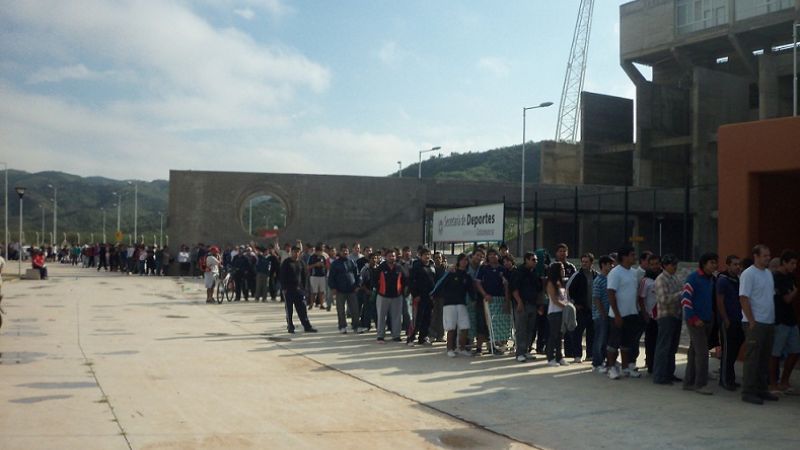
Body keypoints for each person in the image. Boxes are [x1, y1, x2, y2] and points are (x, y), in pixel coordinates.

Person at [739, 244, 778, 405]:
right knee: (752, 359)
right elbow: (743, 298)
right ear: (756, 256)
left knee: (764, 359)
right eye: (765, 255)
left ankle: (762, 389)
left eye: (769, 255)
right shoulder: (749, 274)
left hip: (769, 322)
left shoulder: (768, 273)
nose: (768, 258)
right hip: (755, 323)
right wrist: (752, 321)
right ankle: (748, 391)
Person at [681, 252, 718, 395]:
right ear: (704, 264)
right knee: (702, 353)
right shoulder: (693, 278)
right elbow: (685, 299)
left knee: (693, 352)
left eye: (715, 263)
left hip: (707, 320)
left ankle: (688, 382)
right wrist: (693, 318)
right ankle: (700, 384)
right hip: (695, 321)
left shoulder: (711, 280)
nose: (714, 265)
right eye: (711, 263)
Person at [606, 246, 641, 380]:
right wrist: (617, 314)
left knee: (627, 343)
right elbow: (611, 293)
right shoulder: (615, 273)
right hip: (617, 315)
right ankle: (611, 368)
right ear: (624, 257)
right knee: (614, 343)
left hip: (631, 313)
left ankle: (625, 368)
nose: (635, 257)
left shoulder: (633, 272)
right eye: (632, 255)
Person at [431, 253, 475, 357]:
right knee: (451, 328)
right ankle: (449, 349)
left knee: (465, 327)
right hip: (449, 304)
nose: (464, 262)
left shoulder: (467, 276)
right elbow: (439, 285)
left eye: (466, 260)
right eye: (462, 260)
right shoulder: (450, 273)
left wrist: (474, 300)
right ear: (458, 261)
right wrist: (433, 295)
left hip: (462, 304)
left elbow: (471, 291)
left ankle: (462, 348)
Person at [769, 250, 799, 394]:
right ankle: (773, 383)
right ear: (784, 263)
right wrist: (794, 292)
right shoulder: (776, 278)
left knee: (795, 350)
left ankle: (784, 381)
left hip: (791, 320)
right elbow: (786, 298)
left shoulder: (791, 277)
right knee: (775, 353)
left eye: (795, 263)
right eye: (792, 263)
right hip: (779, 319)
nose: (794, 266)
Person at [652, 254, 683, 385]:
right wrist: (680, 295)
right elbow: (663, 300)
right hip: (666, 316)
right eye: (672, 264)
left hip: (676, 315)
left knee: (672, 347)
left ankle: (669, 373)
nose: (674, 267)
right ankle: (659, 375)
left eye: (675, 264)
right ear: (664, 265)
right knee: (663, 347)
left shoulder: (675, 278)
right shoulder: (661, 279)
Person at [717, 255, 743, 391]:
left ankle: (730, 378)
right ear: (728, 265)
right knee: (727, 352)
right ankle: (724, 380)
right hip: (727, 321)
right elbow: (720, 301)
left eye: (739, 264)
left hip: (738, 320)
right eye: (734, 264)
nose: (737, 266)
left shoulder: (737, 280)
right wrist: (725, 319)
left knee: (734, 351)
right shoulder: (723, 280)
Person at [565, 253, 597, 363]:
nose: (584, 264)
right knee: (577, 333)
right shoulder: (577, 275)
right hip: (580, 309)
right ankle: (577, 355)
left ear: (591, 263)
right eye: (582, 261)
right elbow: (569, 290)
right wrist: (574, 304)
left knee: (591, 333)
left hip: (592, 309)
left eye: (586, 262)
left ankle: (590, 354)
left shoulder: (595, 275)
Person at [511, 252, 543, 363]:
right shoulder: (518, 272)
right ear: (526, 260)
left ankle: (526, 350)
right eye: (533, 260)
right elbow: (514, 288)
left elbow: (539, 289)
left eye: (536, 260)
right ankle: (519, 353)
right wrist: (519, 302)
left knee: (530, 329)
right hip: (521, 304)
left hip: (533, 304)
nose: (536, 262)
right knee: (521, 329)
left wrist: (539, 305)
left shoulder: (535, 272)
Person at [279, 245, 317, 334]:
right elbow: (282, 276)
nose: (296, 254)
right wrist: (284, 288)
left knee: (302, 309)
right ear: (291, 252)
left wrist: (305, 289)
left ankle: (307, 326)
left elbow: (305, 276)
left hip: (299, 290)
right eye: (294, 252)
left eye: (298, 252)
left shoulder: (301, 263)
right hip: (289, 290)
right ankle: (290, 326)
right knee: (289, 310)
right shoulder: (286, 263)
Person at [638, 254, 662, 374]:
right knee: (651, 342)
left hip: (663, 315)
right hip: (650, 316)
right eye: (651, 264)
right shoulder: (645, 281)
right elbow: (641, 298)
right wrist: (645, 314)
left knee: (661, 342)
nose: (654, 266)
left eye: (656, 263)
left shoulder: (664, 277)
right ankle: (651, 365)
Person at [375, 249, 406, 343]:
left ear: (396, 257)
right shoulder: (381, 267)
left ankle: (396, 335)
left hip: (397, 296)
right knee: (381, 316)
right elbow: (374, 280)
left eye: (393, 256)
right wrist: (378, 290)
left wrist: (402, 292)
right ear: (386, 257)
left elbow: (405, 280)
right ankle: (380, 336)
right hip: (383, 296)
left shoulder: (399, 267)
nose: (391, 258)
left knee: (397, 317)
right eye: (390, 256)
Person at [329, 244, 361, 334]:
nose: (345, 252)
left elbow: (357, 275)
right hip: (340, 291)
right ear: (340, 252)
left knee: (355, 309)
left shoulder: (352, 262)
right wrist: (333, 288)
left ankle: (356, 326)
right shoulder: (335, 263)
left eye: (346, 250)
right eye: (343, 251)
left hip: (352, 290)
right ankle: (342, 326)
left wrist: (358, 285)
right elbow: (331, 277)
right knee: (341, 310)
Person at [407, 248, 436, 346]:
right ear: (420, 255)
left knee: (427, 318)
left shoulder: (432, 266)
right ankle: (410, 338)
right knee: (416, 319)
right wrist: (415, 295)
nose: (427, 256)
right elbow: (411, 282)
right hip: (419, 297)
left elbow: (433, 281)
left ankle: (422, 338)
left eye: (429, 254)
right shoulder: (416, 266)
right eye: (425, 255)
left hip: (429, 297)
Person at [591, 255, 614, 372]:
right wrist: (603, 314)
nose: (612, 266)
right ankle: (597, 363)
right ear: (603, 265)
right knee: (599, 339)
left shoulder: (610, 279)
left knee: (605, 339)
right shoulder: (598, 280)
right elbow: (596, 299)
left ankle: (604, 360)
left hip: (609, 314)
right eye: (610, 264)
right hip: (600, 316)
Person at [545, 262, 569, 366]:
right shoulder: (551, 283)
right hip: (554, 312)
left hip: (562, 312)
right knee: (553, 335)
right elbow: (554, 300)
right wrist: (566, 307)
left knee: (560, 335)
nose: (563, 270)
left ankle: (559, 357)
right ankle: (551, 357)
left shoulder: (562, 282)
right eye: (561, 269)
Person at [428, 251, 447, 343]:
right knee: (434, 316)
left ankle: (441, 335)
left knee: (442, 316)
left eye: (439, 258)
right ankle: (432, 335)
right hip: (434, 296)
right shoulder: (431, 269)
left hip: (443, 296)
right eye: (436, 258)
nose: (438, 259)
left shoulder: (445, 269)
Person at [307, 245, 327, 309]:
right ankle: (311, 304)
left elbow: (326, 266)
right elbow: (308, 267)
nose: (321, 253)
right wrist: (315, 264)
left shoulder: (323, 257)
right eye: (320, 251)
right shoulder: (312, 257)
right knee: (313, 291)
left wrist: (323, 265)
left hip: (322, 276)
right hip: (314, 276)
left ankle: (321, 304)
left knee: (322, 291)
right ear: (317, 251)